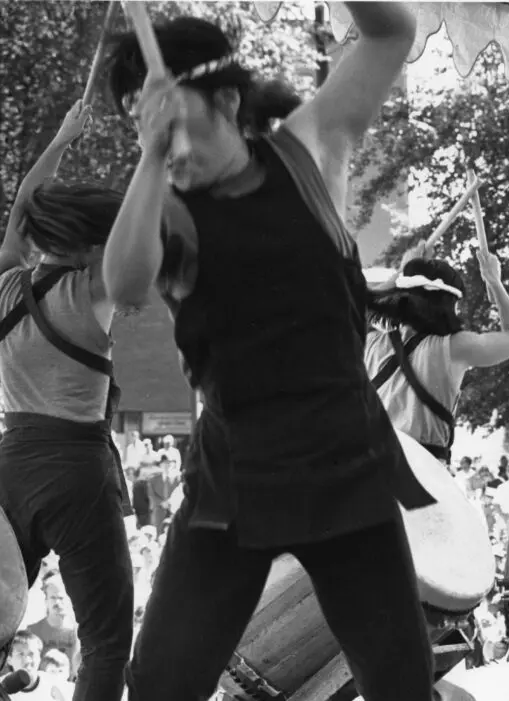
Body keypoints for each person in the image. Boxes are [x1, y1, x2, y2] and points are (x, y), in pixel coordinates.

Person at [101, 6, 440, 700]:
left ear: (228, 100)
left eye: (175, 120)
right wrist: (152, 152)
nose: (170, 146)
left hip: (346, 467)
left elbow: (391, 32)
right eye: (142, 124)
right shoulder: (165, 208)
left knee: (403, 686)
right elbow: (125, 284)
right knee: (161, 685)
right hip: (234, 480)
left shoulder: (307, 152)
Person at [0, 99, 135, 701]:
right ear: (91, 245)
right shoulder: (92, 292)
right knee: (107, 640)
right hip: (76, 473)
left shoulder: (5, 284)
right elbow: (141, 232)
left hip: (10, 465)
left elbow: (22, 211)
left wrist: (60, 140)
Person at [364, 240, 509, 462]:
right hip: (424, 471)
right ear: (449, 303)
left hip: (372, 465)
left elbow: (354, 307)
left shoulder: (371, 343)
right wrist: (494, 281)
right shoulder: (456, 347)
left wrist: (404, 270)